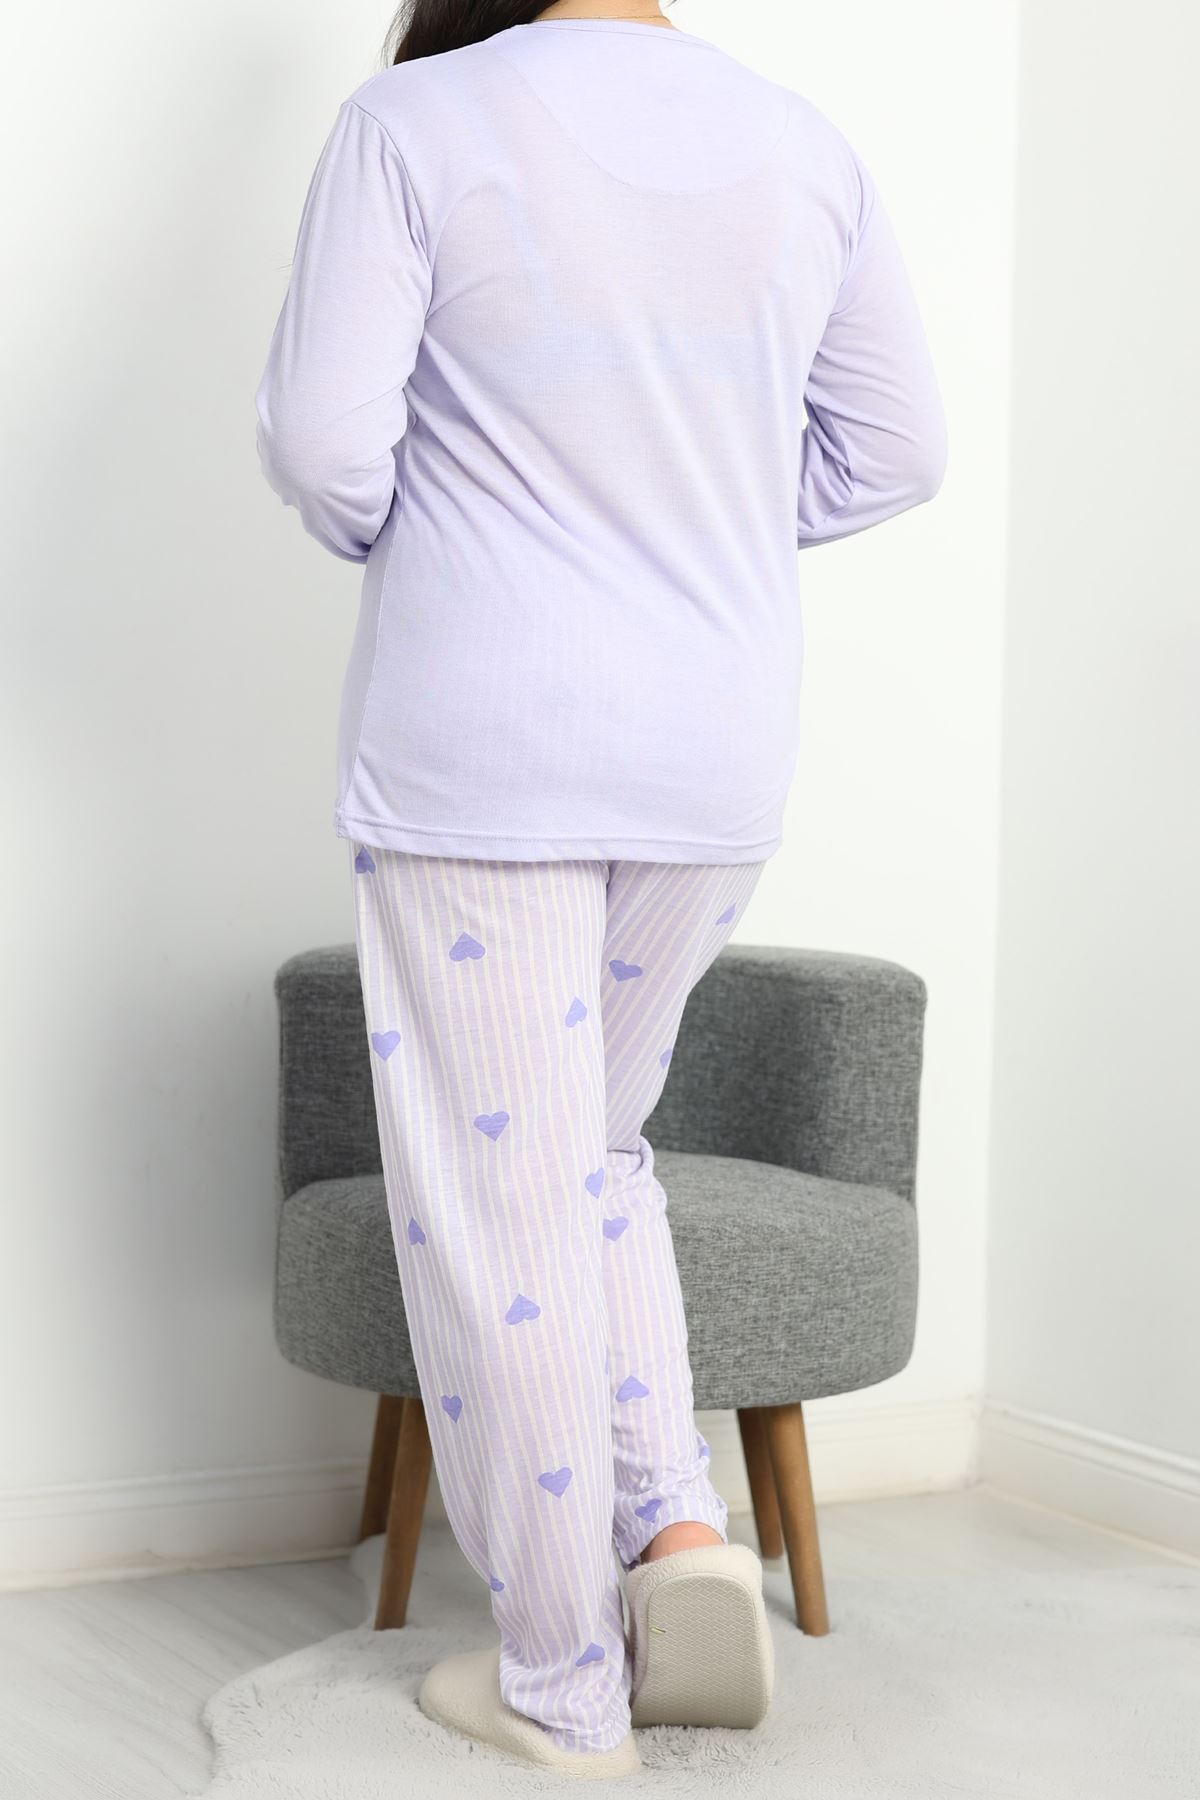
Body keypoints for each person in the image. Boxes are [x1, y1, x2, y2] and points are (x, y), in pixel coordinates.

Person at [254, 0, 947, 1777]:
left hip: (489, 746)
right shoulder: (803, 145)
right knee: (591, 1151)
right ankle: (676, 1530)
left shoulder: (416, 124)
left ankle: (560, 1688)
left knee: (501, 1219)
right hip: (713, 748)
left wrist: (457, 534)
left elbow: (324, 443)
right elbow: (897, 449)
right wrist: (686, 524)